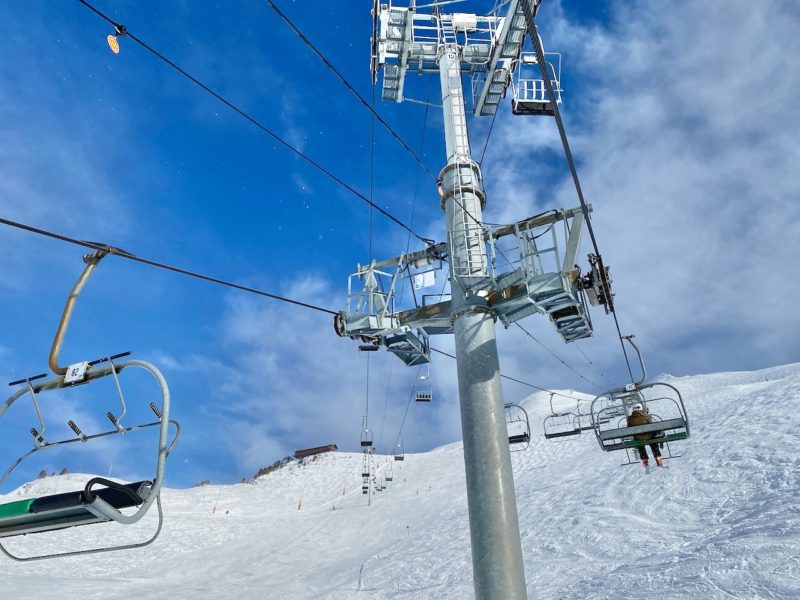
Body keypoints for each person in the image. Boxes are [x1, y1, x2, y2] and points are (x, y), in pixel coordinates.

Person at [627, 402, 664, 471]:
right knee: (653, 443)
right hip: (649, 436)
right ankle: (658, 459)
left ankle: (645, 462)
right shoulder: (647, 416)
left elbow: (629, 429)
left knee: (639, 443)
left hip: (638, 437)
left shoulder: (629, 418)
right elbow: (651, 426)